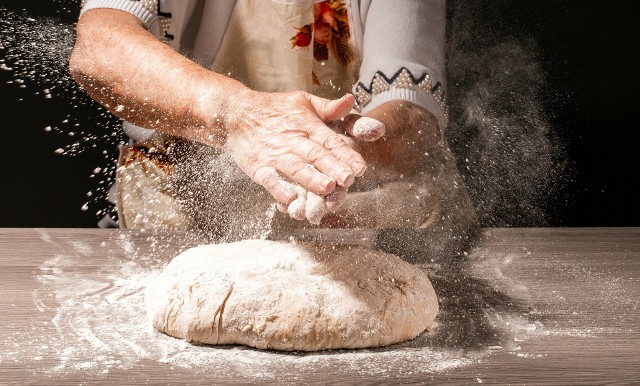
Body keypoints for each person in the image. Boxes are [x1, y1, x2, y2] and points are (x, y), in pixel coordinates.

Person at [70, 0, 477, 256]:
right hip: (183, 205)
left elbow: (409, 108)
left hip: (363, 205)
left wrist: (338, 147)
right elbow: (101, 46)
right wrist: (238, 116)